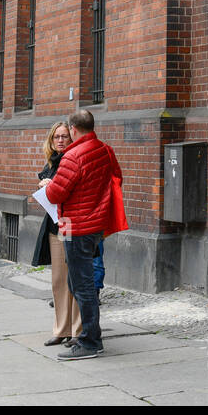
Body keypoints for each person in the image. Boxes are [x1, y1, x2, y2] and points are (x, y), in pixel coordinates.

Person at [43, 109, 125, 360]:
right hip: (96, 226)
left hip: (76, 227)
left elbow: (55, 195)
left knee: (82, 285)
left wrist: (48, 186)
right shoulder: (105, 150)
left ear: (74, 129)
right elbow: (117, 178)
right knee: (81, 282)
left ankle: (90, 341)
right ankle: (87, 335)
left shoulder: (72, 157)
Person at [33, 122, 81, 347]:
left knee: (75, 279)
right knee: (59, 281)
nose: (60, 141)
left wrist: (52, 186)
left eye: (64, 137)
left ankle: (77, 331)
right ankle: (61, 329)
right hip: (55, 226)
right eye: (56, 137)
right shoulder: (52, 162)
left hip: (71, 224)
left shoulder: (73, 159)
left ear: (72, 139)